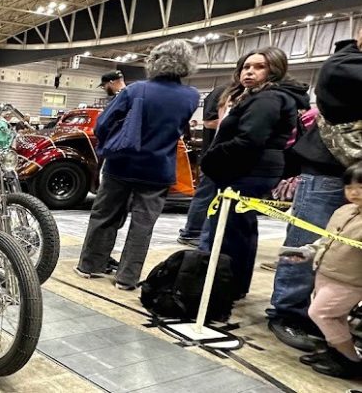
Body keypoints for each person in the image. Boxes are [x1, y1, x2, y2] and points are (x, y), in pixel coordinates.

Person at [75, 40, 199, 291]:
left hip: (121, 165)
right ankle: (127, 278)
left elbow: (102, 124)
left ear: (154, 62)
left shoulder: (135, 90)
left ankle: (90, 266)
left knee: (104, 216)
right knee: (143, 226)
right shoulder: (192, 96)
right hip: (159, 169)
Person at [268, 24, 362, 351]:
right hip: (329, 174)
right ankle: (287, 313)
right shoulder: (343, 64)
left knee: (345, 253)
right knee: (305, 243)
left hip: (348, 174)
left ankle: (329, 315)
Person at [199, 47, 310, 300]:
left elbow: (249, 140)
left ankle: (223, 289)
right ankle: (234, 286)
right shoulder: (266, 97)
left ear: (275, 70)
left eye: (259, 67)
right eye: (246, 66)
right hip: (254, 169)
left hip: (247, 171)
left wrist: (211, 159)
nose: (249, 72)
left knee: (230, 232)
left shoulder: (267, 99)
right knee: (242, 229)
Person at [279, 161, 362, 379]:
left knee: (321, 313)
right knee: (336, 317)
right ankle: (335, 353)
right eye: (349, 187)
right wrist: (309, 251)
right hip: (325, 273)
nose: (354, 192)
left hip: (351, 281)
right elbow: (327, 239)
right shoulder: (343, 211)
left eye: (361, 187)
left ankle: (351, 360)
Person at [177, 82, 231, 246]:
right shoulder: (222, 91)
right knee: (206, 195)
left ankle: (207, 233)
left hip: (230, 157)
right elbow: (209, 121)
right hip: (214, 156)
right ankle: (191, 232)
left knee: (218, 198)